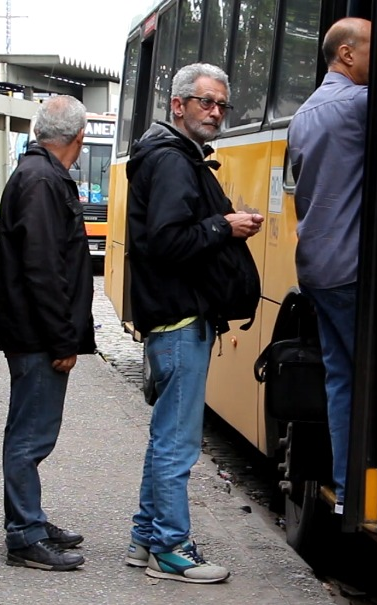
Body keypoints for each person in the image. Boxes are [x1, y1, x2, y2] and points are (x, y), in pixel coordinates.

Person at [124, 62, 263, 584]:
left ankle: (146, 539)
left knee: (167, 436)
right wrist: (222, 225)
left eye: (222, 104)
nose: (216, 112)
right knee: (177, 442)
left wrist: (220, 227)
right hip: (180, 316)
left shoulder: (173, 157)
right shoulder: (173, 162)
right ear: (178, 105)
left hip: (175, 314)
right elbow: (165, 241)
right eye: (206, 102)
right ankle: (170, 548)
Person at [0, 95, 96, 572]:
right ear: (79, 136)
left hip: (34, 331)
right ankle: (25, 533)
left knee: (30, 432)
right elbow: (43, 268)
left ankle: (29, 520)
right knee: (31, 436)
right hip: (37, 335)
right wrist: (62, 340)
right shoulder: (41, 180)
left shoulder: (39, 175)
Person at [286, 17, 371, 514]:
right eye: (374, 51)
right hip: (349, 266)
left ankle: (344, 487)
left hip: (316, 264)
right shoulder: (357, 106)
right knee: (368, 378)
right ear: (345, 54)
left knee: (341, 377)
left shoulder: (306, 112)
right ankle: (360, 488)